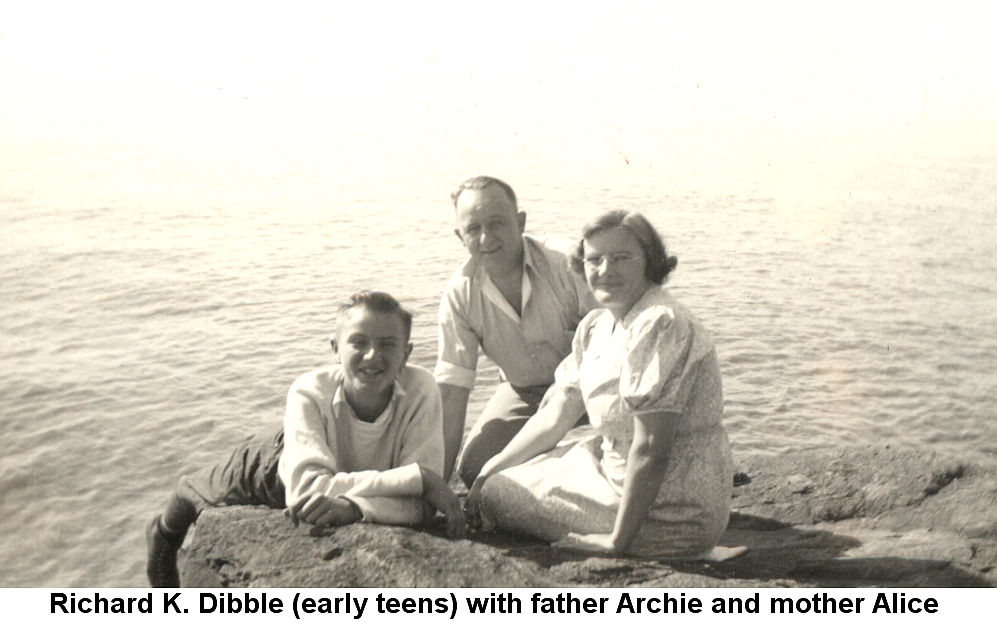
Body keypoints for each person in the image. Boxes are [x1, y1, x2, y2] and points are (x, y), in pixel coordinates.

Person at [464, 210, 741, 559]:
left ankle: (667, 545)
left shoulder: (660, 323)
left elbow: (652, 448)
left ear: (650, 262)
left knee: (498, 495)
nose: (606, 270)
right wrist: (490, 469)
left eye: (622, 258)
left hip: (670, 508)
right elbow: (555, 417)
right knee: (503, 476)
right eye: (594, 259)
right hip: (616, 473)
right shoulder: (596, 325)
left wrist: (615, 543)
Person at [146, 290, 464, 587]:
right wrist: (417, 478)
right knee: (194, 490)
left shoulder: (422, 390)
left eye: (388, 344)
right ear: (335, 348)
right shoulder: (308, 390)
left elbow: (423, 503)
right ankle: (161, 532)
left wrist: (357, 507)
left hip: (336, 473)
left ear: (407, 353)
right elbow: (304, 491)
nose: (372, 355)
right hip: (274, 464)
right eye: (358, 342)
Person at [437, 176, 599, 486]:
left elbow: (618, 345)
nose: (486, 238)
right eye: (473, 229)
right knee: (473, 469)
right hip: (524, 391)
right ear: (460, 237)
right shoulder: (460, 295)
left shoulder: (568, 264)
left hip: (590, 388)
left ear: (520, 221)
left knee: (613, 454)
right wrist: (436, 489)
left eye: (497, 223)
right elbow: (452, 395)